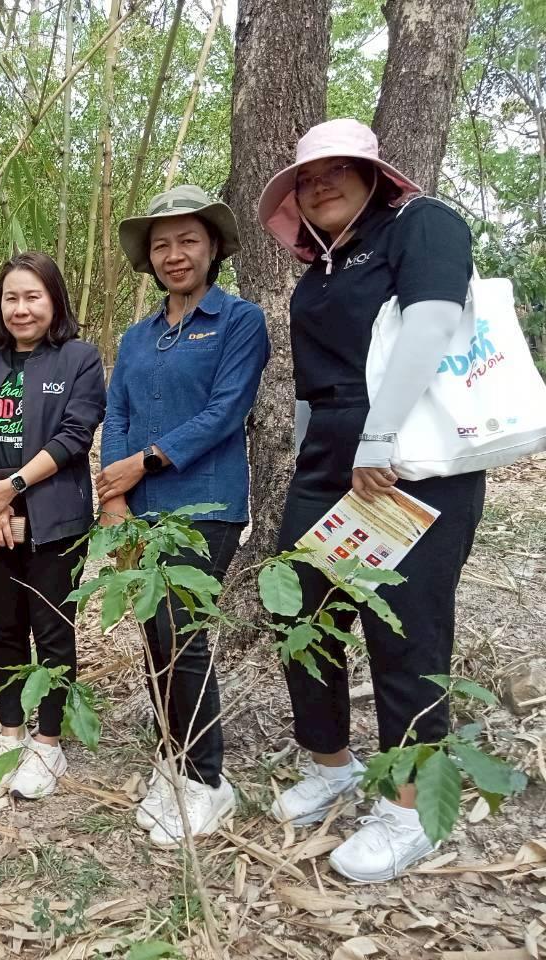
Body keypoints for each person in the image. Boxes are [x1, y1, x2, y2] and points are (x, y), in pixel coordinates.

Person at [258, 118, 485, 882]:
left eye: (336, 170)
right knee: (304, 613)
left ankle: (410, 805)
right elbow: (311, 374)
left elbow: (430, 319)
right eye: (306, 178)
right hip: (328, 458)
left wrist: (380, 437)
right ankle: (333, 763)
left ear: (374, 173)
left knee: (404, 631)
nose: (319, 185)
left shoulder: (421, 224)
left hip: (406, 459)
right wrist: (303, 452)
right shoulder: (320, 268)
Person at [97, 185, 271, 846]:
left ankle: (207, 779)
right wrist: (114, 494)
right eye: (162, 244)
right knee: (154, 639)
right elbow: (118, 413)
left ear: (213, 247)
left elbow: (225, 413)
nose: (175, 254)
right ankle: (173, 761)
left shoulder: (239, 321)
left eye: (188, 240)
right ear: (149, 256)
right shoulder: (137, 337)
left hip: (206, 506)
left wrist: (145, 462)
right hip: (138, 510)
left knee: (185, 637)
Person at [0, 251, 105, 801]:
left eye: (33, 296)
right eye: (11, 297)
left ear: (54, 300)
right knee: (6, 630)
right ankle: (11, 733)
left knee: (54, 630)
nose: (21, 308)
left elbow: (73, 435)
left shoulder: (80, 359)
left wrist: (10, 490)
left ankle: (48, 741)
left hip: (54, 519)